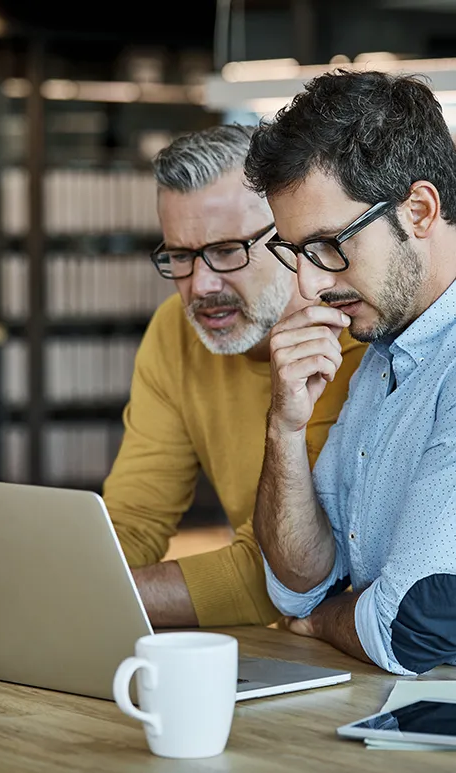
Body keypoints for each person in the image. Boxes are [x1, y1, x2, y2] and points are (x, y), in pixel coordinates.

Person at [102, 124, 366, 628]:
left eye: (227, 251)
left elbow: (285, 573)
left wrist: (93, 597)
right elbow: (132, 523)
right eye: (180, 256)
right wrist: (52, 581)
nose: (201, 285)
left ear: (288, 236)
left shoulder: (353, 338)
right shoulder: (174, 333)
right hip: (289, 649)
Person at [243, 68, 456, 674]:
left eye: (332, 244)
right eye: (297, 253)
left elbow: (414, 627)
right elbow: (299, 583)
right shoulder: (385, 346)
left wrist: (322, 624)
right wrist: (284, 431)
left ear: (419, 209)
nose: (310, 285)